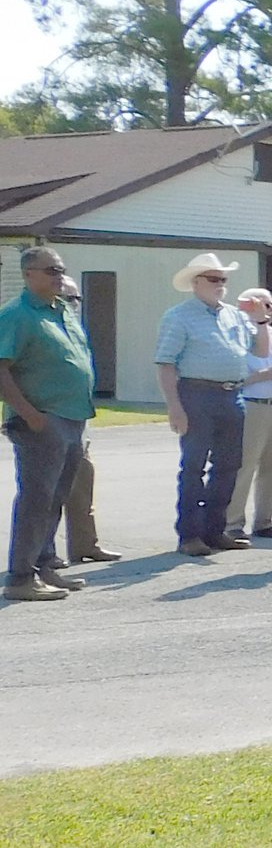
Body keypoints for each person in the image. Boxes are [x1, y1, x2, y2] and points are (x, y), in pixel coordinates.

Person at [0, 247, 96, 601]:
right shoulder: (17, 315)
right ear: (29, 274)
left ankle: (44, 566)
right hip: (42, 420)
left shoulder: (61, 311)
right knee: (36, 499)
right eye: (51, 270)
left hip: (72, 417)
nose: (59, 276)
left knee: (56, 497)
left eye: (62, 270)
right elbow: (1, 368)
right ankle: (21, 577)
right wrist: (30, 414)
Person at [154, 252, 257, 555]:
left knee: (229, 465)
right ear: (196, 282)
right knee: (194, 466)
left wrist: (261, 317)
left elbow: (256, 346)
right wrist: (174, 406)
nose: (221, 285)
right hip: (196, 394)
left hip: (232, 395)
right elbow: (165, 363)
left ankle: (215, 530)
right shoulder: (179, 316)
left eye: (224, 279)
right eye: (214, 279)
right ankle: (189, 535)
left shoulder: (234, 315)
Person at [46, 277, 117, 566]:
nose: (74, 304)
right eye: (69, 298)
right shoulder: (43, 327)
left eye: (77, 299)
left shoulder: (74, 328)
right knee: (48, 493)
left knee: (82, 486)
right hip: (51, 421)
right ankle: (42, 554)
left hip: (78, 421)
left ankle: (85, 545)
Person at [227, 288, 272, 540]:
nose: (268, 310)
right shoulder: (238, 336)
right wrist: (263, 375)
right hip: (251, 404)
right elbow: (234, 380)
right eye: (261, 305)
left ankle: (264, 521)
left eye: (271, 305)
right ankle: (232, 523)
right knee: (245, 465)